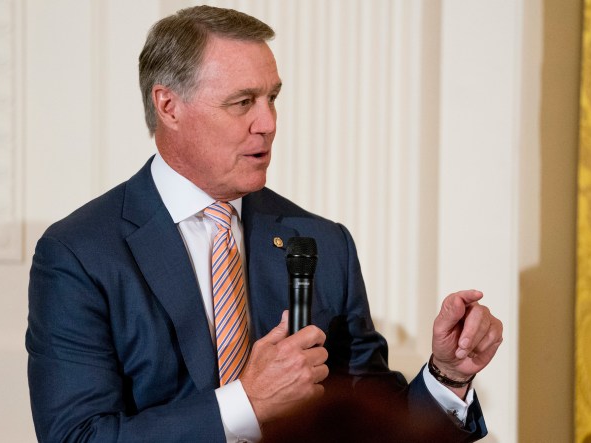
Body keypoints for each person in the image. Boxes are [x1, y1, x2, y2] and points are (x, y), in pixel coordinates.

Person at [26, 5, 503, 442]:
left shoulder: (321, 242)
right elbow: (76, 436)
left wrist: (447, 376)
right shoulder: (80, 254)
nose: (268, 122)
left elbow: (372, 424)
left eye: (272, 98)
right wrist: (246, 404)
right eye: (242, 102)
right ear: (169, 106)